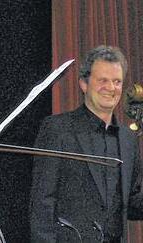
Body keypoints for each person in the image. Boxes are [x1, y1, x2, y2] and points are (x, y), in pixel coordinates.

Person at [30, 45, 143, 242]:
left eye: (117, 81)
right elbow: (41, 204)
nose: (111, 88)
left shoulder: (128, 139)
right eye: (103, 81)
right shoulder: (57, 129)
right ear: (84, 83)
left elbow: (133, 202)